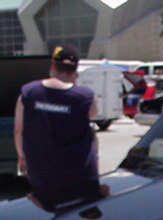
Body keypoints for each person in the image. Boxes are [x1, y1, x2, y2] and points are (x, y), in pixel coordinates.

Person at [14, 44, 108, 210]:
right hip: (81, 178)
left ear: (52, 67)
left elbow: (18, 130)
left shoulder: (29, 92)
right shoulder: (84, 96)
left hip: (43, 179)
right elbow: (92, 114)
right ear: (75, 71)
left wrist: (22, 157)